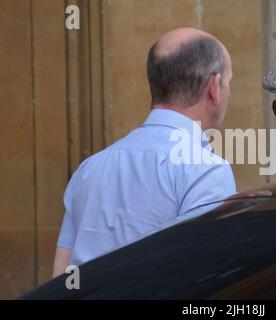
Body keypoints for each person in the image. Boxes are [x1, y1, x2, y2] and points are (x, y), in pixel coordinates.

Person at [52, 27, 236, 276]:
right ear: (214, 87)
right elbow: (205, 278)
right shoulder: (206, 171)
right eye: (228, 83)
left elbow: (60, 277)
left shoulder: (90, 168)